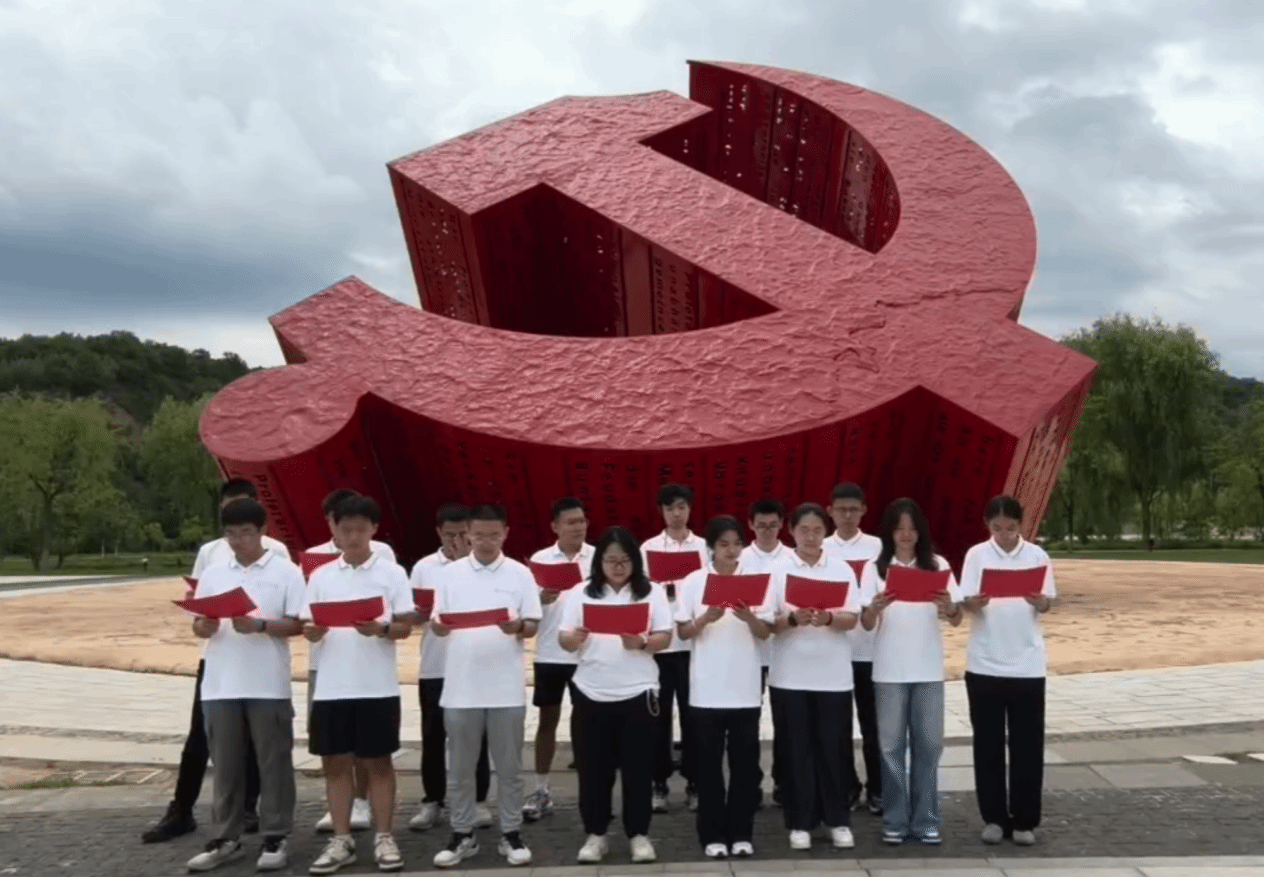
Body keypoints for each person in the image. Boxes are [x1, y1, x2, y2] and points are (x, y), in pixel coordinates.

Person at [141, 478, 287, 845]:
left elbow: (286, 607)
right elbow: (198, 601)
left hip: (258, 658)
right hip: (217, 657)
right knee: (200, 736)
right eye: (229, 511)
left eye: (243, 508)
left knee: (256, 740)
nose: (237, 525)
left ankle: (250, 809)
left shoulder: (278, 552)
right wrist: (202, 621)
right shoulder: (211, 553)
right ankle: (181, 809)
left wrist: (258, 623)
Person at [184, 498, 306, 872]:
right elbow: (199, 623)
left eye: (247, 533)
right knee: (225, 764)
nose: (239, 541)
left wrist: (261, 626)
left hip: (267, 682)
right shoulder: (214, 572)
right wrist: (203, 625)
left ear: (263, 532)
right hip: (221, 682)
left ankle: (275, 835)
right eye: (231, 534)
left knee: (273, 761)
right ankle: (226, 836)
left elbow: (299, 624)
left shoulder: (286, 572)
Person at [302, 495, 415, 875]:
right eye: (345, 529)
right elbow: (308, 623)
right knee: (335, 764)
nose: (352, 537)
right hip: (332, 685)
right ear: (333, 528)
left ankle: (384, 836)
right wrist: (313, 631)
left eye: (360, 529)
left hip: (376, 685)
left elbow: (404, 626)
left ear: (373, 529)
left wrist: (381, 629)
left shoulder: (391, 573)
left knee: (378, 763)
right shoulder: (321, 576)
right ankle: (342, 838)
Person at [430, 504, 543, 869]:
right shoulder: (450, 575)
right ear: (468, 535)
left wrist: (517, 627)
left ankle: (511, 832)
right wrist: (440, 627)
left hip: (505, 687)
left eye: (494, 535)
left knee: (509, 768)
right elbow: (437, 622)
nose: (486, 542)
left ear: (505, 533)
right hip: (460, 687)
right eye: (478, 535)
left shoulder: (520, 574)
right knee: (461, 769)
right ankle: (462, 833)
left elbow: (532, 624)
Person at [559, 526, 672, 864]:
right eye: (610, 560)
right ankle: (596, 835)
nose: (618, 567)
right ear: (599, 563)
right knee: (593, 771)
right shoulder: (581, 593)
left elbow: (665, 637)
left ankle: (639, 835)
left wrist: (642, 642)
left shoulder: (651, 592)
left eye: (624, 560)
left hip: (638, 692)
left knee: (638, 769)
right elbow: (564, 639)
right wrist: (575, 638)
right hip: (591, 691)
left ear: (635, 561)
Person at [859, 497, 963, 846]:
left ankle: (926, 819)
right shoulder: (875, 569)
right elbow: (866, 623)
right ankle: (895, 819)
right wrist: (874, 608)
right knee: (890, 748)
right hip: (889, 670)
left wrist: (948, 606)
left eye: (911, 528)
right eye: (899, 528)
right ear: (889, 532)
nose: (905, 535)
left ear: (921, 532)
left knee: (929, 745)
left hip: (928, 669)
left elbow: (956, 617)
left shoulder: (937, 565)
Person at [959, 495, 1056, 847]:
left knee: (1027, 744)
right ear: (988, 526)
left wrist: (1040, 602)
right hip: (985, 662)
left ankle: (1025, 820)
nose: (1004, 535)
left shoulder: (1037, 555)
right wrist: (973, 603)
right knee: (988, 744)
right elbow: (965, 602)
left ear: (1021, 525)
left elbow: (1047, 602)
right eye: (997, 528)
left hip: (1027, 664)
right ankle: (994, 818)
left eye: (1011, 528)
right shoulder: (976, 555)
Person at [676, 515, 773, 859]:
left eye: (736, 544)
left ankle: (742, 833)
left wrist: (749, 617)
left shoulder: (756, 580)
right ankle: (712, 835)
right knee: (708, 766)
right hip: (706, 689)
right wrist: (706, 618)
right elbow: (682, 632)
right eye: (723, 544)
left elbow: (766, 632)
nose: (731, 551)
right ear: (711, 548)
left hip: (745, 687)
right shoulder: (694, 581)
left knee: (745, 765)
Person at [768, 502, 861, 851]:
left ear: (826, 532)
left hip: (833, 676)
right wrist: (792, 619)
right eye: (804, 530)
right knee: (796, 750)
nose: (810, 537)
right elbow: (767, 622)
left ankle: (837, 819)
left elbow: (852, 618)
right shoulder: (778, 570)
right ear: (792, 531)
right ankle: (800, 822)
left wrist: (828, 619)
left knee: (833, 749)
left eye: (817, 530)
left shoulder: (841, 569)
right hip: (789, 676)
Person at [408, 504, 493, 832]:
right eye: (449, 535)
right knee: (433, 736)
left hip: (472, 664)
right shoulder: (424, 567)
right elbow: (414, 614)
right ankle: (433, 800)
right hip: (435, 664)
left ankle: (478, 799)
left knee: (475, 736)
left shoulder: (484, 565)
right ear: (438, 533)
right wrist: (420, 612)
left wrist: (463, 566)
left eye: (462, 534)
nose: (456, 541)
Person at [524, 497, 595, 822]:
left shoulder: (597, 558)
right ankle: (541, 789)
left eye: (582, 521)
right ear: (555, 526)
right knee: (547, 722)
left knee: (588, 725)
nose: (578, 527)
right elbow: (525, 609)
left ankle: (593, 792)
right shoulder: (540, 561)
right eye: (571, 522)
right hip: (550, 654)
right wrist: (539, 599)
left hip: (587, 654)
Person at [641, 483, 710, 813]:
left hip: (695, 643)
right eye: (670, 508)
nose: (676, 513)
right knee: (658, 718)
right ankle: (659, 782)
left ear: (690, 509)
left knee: (693, 714)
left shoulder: (704, 547)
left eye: (682, 507)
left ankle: (695, 781)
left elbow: (712, 587)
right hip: (661, 643)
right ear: (662, 512)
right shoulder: (648, 548)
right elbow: (640, 592)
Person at [823, 482, 884, 814]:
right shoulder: (821, 547)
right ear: (830, 512)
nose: (847, 516)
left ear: (863, 511)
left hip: (873, 651)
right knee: (838, 728)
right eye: (841, 509)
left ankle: (878, 789)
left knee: (875, 726)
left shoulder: (878, 547)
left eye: (853, 509)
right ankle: (845, 787)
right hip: (834, 652)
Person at [738, 498, 789, 806]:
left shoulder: (793, 558)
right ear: (750, 525)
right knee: (748, 720)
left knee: (786, 720)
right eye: (761, 526)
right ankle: (751, 784)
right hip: (750, 650)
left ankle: (784, 782)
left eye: (772, 525)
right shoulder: (740, 559)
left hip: (786, 649)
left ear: (782, 524)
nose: (767, 531)